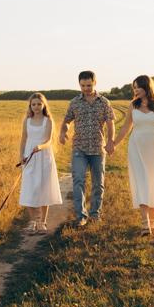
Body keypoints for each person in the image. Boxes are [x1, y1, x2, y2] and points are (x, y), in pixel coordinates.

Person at [110, 75, 154, 236]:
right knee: (142, 181)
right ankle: (145, 223)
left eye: (138, 87)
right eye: (134, 88)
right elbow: (125, 128)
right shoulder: (133, 105)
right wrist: (113, 144)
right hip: (137, 146)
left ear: (147, 86)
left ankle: (153, 222)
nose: (135, 90)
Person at [59, 70, 116, 226]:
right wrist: (63, 132)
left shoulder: (104, 102)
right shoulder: (74, 102)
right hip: (79, 148)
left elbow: (110, 123)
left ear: (95, 83)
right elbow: (66, 121)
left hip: (98, 149)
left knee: (98, 183)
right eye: (83, 85)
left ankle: (95, 214)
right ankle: (81, 216)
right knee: (78, 181)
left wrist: (111, 141)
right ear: (79, 84)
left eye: (89, 85)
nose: (86, 88)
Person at [18, 92, 62, 234]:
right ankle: (33, 222)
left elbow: (49, 140)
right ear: (30, 106)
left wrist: (40, 147)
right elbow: (24, 139)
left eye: (39, 104)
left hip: (43, 156)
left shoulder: (47, 120)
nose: (36, 107)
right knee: (29, 188)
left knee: (44, 188)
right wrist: (21, 156)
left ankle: (42, 221)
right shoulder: (27, 120)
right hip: (29, 157)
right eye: (33, 104)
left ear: (44, 105)